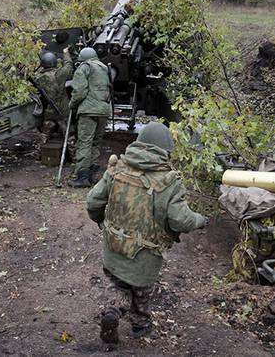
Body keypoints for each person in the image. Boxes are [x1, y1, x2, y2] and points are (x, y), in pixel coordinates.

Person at [85, 122, 209, 344]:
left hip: (113, 246)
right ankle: (140, 325)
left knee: (117, 283)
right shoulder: (170, 181)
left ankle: (113, 308)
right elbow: (181, 220)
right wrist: (201, 220)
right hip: (146, 255)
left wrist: (101, 223)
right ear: (165, 149)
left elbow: (93, 201)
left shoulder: (116, 168)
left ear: (139, 142)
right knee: (141, 291)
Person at [68, 47, 111, 188]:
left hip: (88, 111)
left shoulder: (84, 67)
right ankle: (92, 173)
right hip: (103, 110)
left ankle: (82, 177)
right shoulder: (104, 68)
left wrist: (72, 104)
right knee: (95, 142)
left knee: (84, 143)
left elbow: (79, 91)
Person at [34, 50, 73, 139]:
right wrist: (66, 53)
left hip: (49, 111)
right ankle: (72, 148)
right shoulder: (60, 74)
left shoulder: (38, 78)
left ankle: (43, 145)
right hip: (63, 110)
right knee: (69, 135)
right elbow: (69, 65)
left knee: (45, 133)